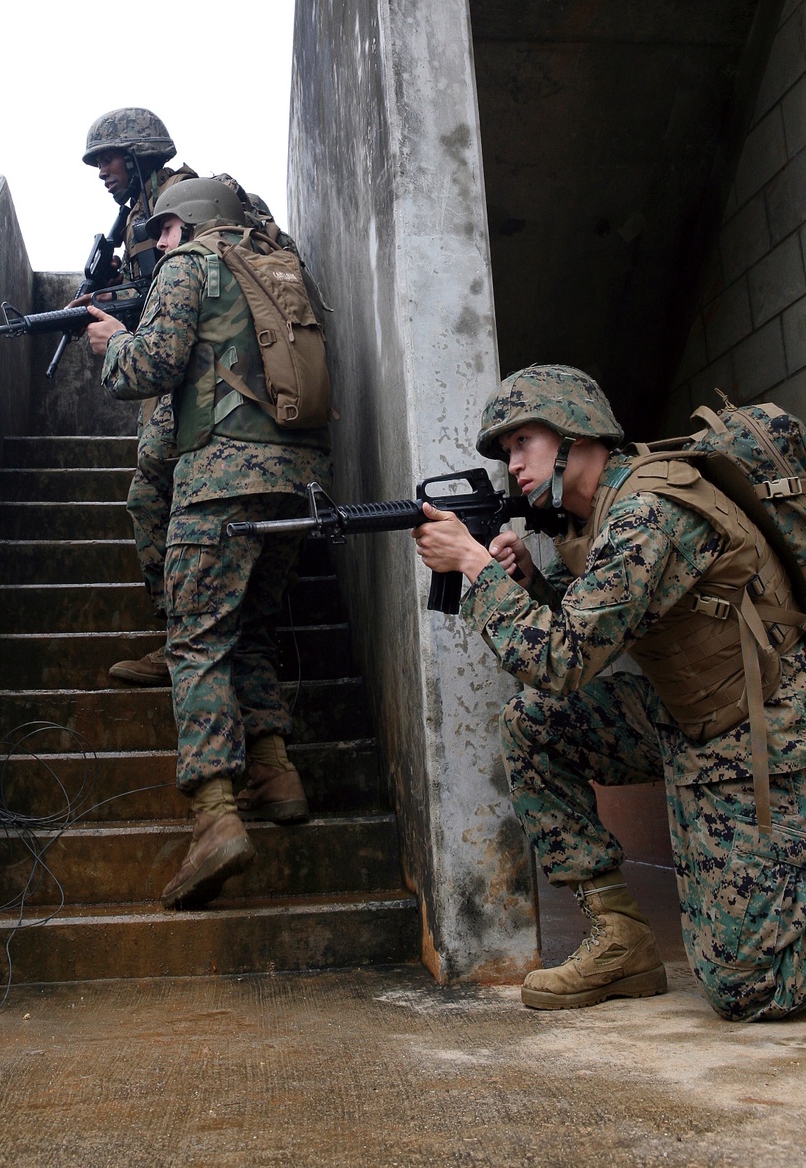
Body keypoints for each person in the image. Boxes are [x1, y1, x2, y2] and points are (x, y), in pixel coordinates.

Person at [410, 363, 806, 1023]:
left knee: (748, 987)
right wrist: (531, 583)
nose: (514, 466)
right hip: (693, 714)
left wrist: (477, 570)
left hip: (761, 727)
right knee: (534, 722)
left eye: (522, 443)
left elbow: (562, 658)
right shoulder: (608, 511)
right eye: (507, 452)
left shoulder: (646, 514)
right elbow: (599, 627)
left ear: (575, 433)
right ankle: (621, 937)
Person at [84, 177, 332, 908]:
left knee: (196, 640)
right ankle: (276, 772)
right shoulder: (281, 268)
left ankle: (216, 818)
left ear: (191, 225)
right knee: (250, 629)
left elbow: (151, 367)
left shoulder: (191, 265)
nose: (155, 241)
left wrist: (111, 342)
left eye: (163, 228)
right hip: (299, 477)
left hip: (220, 476)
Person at [82, 110, 306, 692]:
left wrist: (123, 339)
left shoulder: (193, 199)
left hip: (210, 374)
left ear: (139, 154)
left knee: (150, 492)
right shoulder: (138, 217)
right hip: (192, 369)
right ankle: (202, 632)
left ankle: (185, 634)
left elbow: (202, 288)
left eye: (108, 158)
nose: (101, 171)